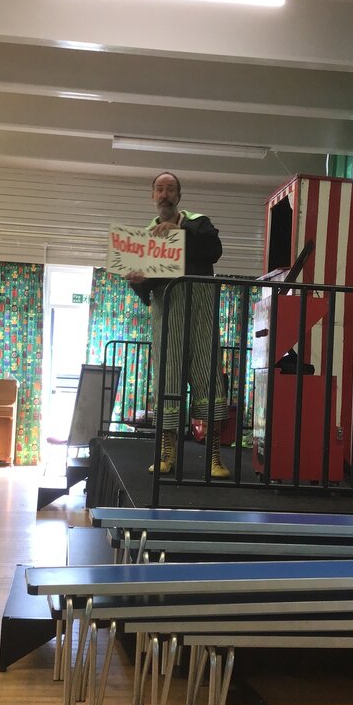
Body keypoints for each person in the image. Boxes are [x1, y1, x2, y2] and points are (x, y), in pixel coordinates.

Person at [124, 171, 230, 479]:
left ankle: (214, 456)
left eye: (170, 189)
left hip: (201, 312)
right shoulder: (145, 237)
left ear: (179, 196)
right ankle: (166, 453)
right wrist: (137, 281)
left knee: (209, 377)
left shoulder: (199, 223)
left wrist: (179, 232)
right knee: (167, 380)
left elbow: (214, 251)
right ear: (152, 196)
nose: (165, 194)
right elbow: (146, 290)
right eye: (159, 189)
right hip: (167, 313)